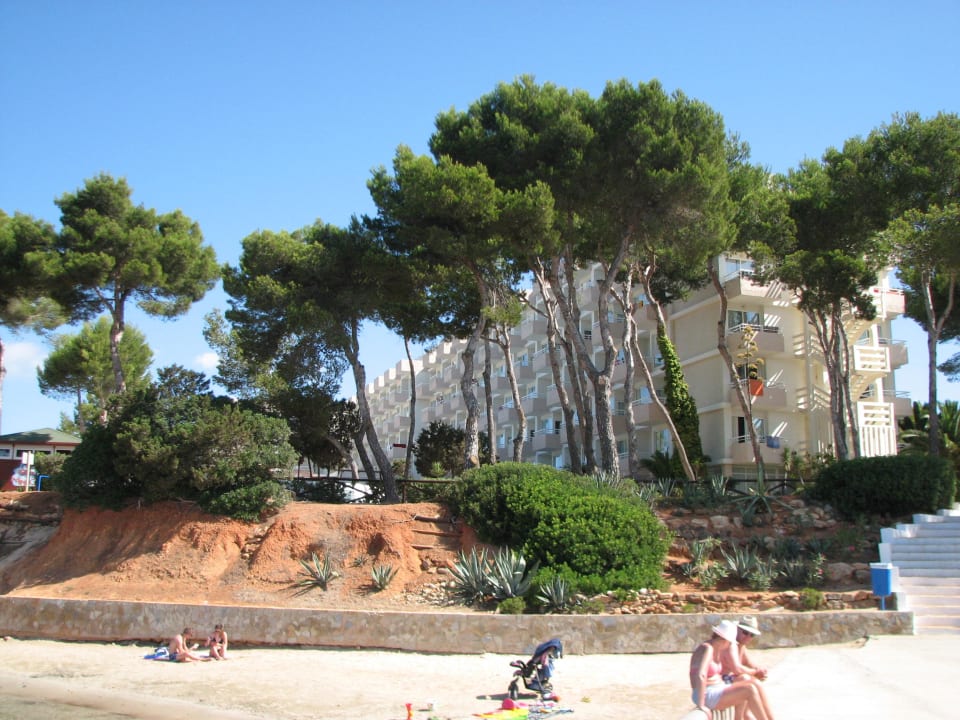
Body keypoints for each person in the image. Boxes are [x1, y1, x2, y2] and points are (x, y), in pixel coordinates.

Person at [689, 619, 770, 720]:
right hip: (707, 694)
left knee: (747, 684)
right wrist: (701, 705)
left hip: (717, 689)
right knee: (749, 689)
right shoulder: (707, 648)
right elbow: (701, 675)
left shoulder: (715, 649)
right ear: (724, 640)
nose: (730, 646)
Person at [718, 616, 776, 720]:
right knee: (746, 680)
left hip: (731, 681)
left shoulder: (741, 647)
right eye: (745, 632)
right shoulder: (731, 644)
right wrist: (755, 672)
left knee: (754, 683)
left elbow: (750, 664)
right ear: (737, 629)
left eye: (751, 635)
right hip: (722, 681)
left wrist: (760, 671)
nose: (747, 637)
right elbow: (737, 669)